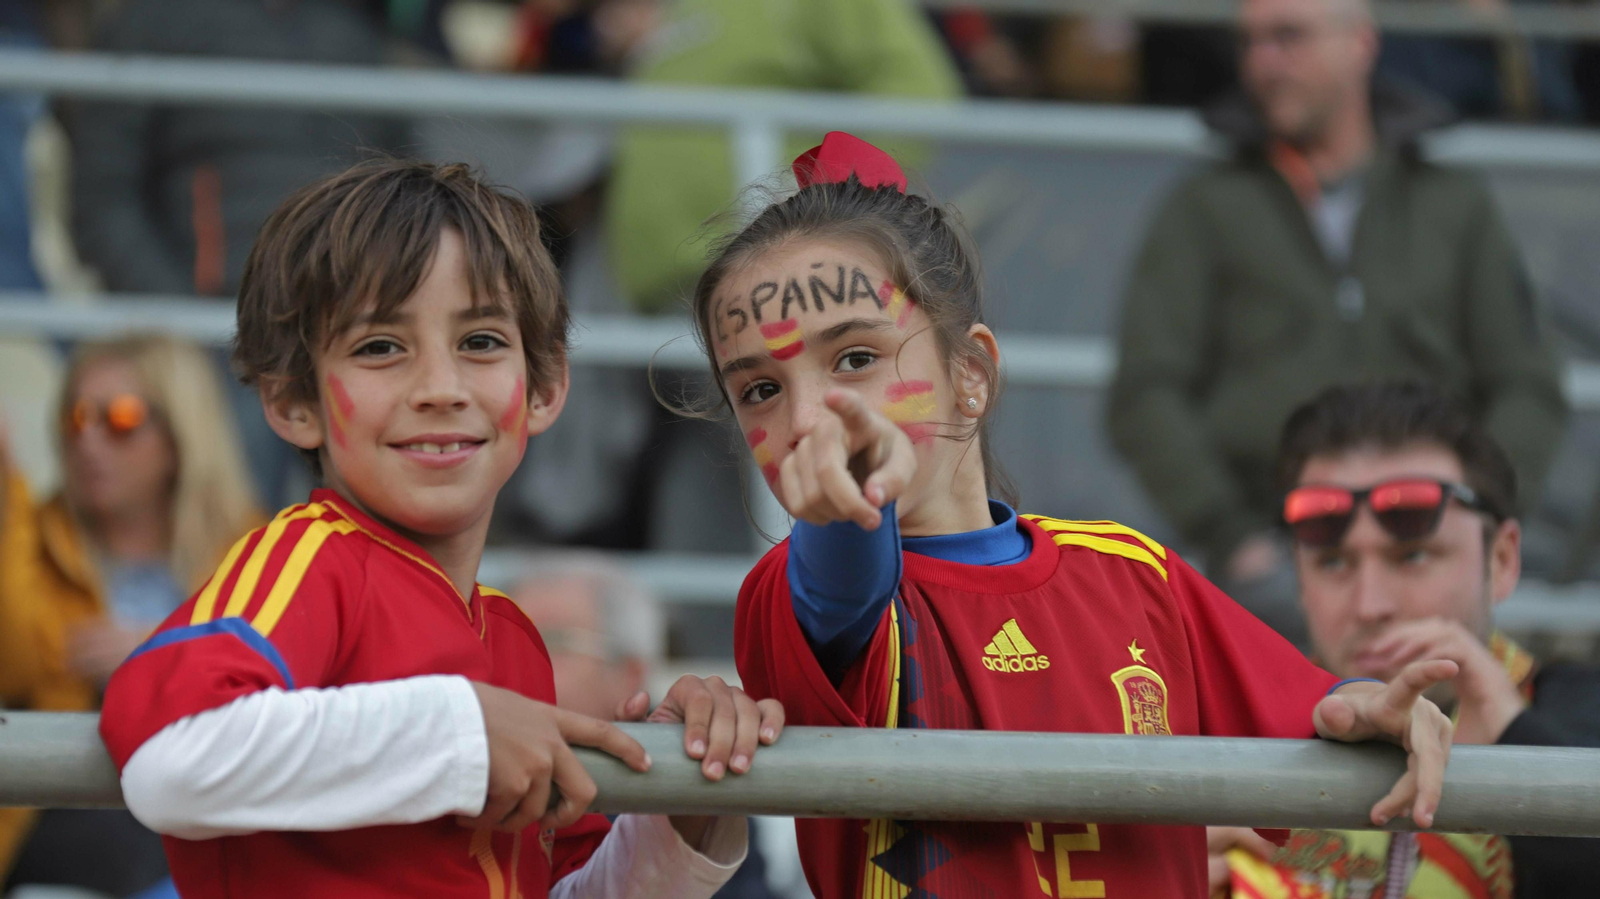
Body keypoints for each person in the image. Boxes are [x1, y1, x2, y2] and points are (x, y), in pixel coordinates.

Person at [679, 131, 1456, 898]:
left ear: (971, 375)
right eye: (760, 390)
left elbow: (1317, 709)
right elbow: (843, 576)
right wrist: (846, 501)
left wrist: (1371, 705)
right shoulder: (793, 595)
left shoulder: (1130, 570)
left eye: (855, 358)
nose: (811, 417)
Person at [94, 159, 785, 899]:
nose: (440, 388)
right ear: (294, 401)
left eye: (481, 341)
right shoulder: (311, 554)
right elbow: (170, 753)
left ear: (547, 385)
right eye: (379, 347)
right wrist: (461, 728)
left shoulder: (517, 638)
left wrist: (683, 811)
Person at [1106, 0, 1567, 643]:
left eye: (1288, 37)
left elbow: (1528, 382)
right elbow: (1145, 392)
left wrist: (1474, 516)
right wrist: (1231, 535)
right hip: (1277, 554)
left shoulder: (1451, 203)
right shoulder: (1205, 207)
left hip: (1432, 537)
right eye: (1252, 43)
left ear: (1361, 43)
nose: (1264, 63)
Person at [1214, 381, 1600, 899]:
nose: (1371, 605)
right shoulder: (1222, 731)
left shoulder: (1579, 713)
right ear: (1301, 582)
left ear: (1501, 560)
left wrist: (1516, 737)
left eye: (1412, 555)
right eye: (1333, 562)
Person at [0, 335, 263, 894]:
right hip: (65, 829)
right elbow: (13, 671)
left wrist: (160, 652)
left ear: (180, 435)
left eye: (121, 420)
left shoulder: (252, 550)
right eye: (76, 418)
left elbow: (300, 685)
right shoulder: (32, 537)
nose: (89, 441)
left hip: (209, 828)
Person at [510, 559, 794, 899]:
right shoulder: (482, 768)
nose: (513, 657)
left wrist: (690, 807)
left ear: (629, 673)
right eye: (504, 638)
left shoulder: (704, 766)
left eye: (550, 640)